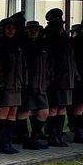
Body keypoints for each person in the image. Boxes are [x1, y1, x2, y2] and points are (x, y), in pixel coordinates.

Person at [44, 8, 76, 147]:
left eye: (61, 25)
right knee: (54, 108)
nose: (60, 28)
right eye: (57, 25)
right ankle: (52, 135)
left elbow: (71, 59)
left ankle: (58, 134)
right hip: (55, 79)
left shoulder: (65, 39)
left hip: (66, 79)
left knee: (62, 107)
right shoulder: (50, 40)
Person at [0, 17, 25, 154]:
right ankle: (3, 142)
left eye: (13, 29)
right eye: (8, 29)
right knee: (4, 111)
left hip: (16, 84)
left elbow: (23, 65)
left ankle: (9, 141)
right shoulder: (0, 44)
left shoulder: (17, 44)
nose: (11, 31)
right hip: (6, 84)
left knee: (13, 112)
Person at [20, 20, 51, 149]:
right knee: (25, 111)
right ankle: (25, 137)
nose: (33, 32)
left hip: (41, 85)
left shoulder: (43, 46)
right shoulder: (24, 46)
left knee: (44, 112)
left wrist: (47, 80)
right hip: (27, 85)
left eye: (36, 30)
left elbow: (48, 65)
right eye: (31, 30)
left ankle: (36, 134)